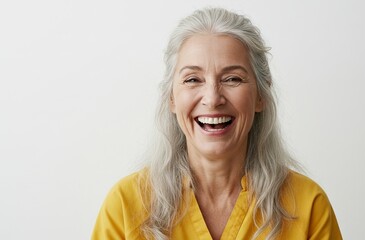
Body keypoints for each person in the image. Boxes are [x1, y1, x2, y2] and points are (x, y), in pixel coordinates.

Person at [92, 7, 342, 240]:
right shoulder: (125, 207)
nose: (212, 99)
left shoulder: (309, 206)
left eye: (233, 78)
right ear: (171, 98)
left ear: (260, 96)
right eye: (192, 80)